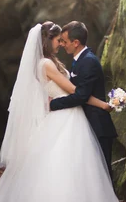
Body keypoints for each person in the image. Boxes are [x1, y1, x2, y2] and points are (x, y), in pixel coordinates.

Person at [0, 22, 126, 202]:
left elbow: (73, 90)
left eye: (63, 40)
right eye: (58, 40)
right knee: (59, 166)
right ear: (48, 40)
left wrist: (102, 104)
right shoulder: (46, 64)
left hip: (70, 116)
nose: (61, 43)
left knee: (69, 167)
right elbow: (76, 91)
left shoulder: (52, 62)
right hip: (64, 117)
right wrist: (101, 104)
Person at [50, 21, 117, 180]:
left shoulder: (88, 62)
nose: (62, 44)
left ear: (76, 43)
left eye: (65, 41)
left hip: (97, 125)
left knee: (102, 175)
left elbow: (81, 96)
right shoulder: (79, 60)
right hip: (86, 123)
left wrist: (53, 104)